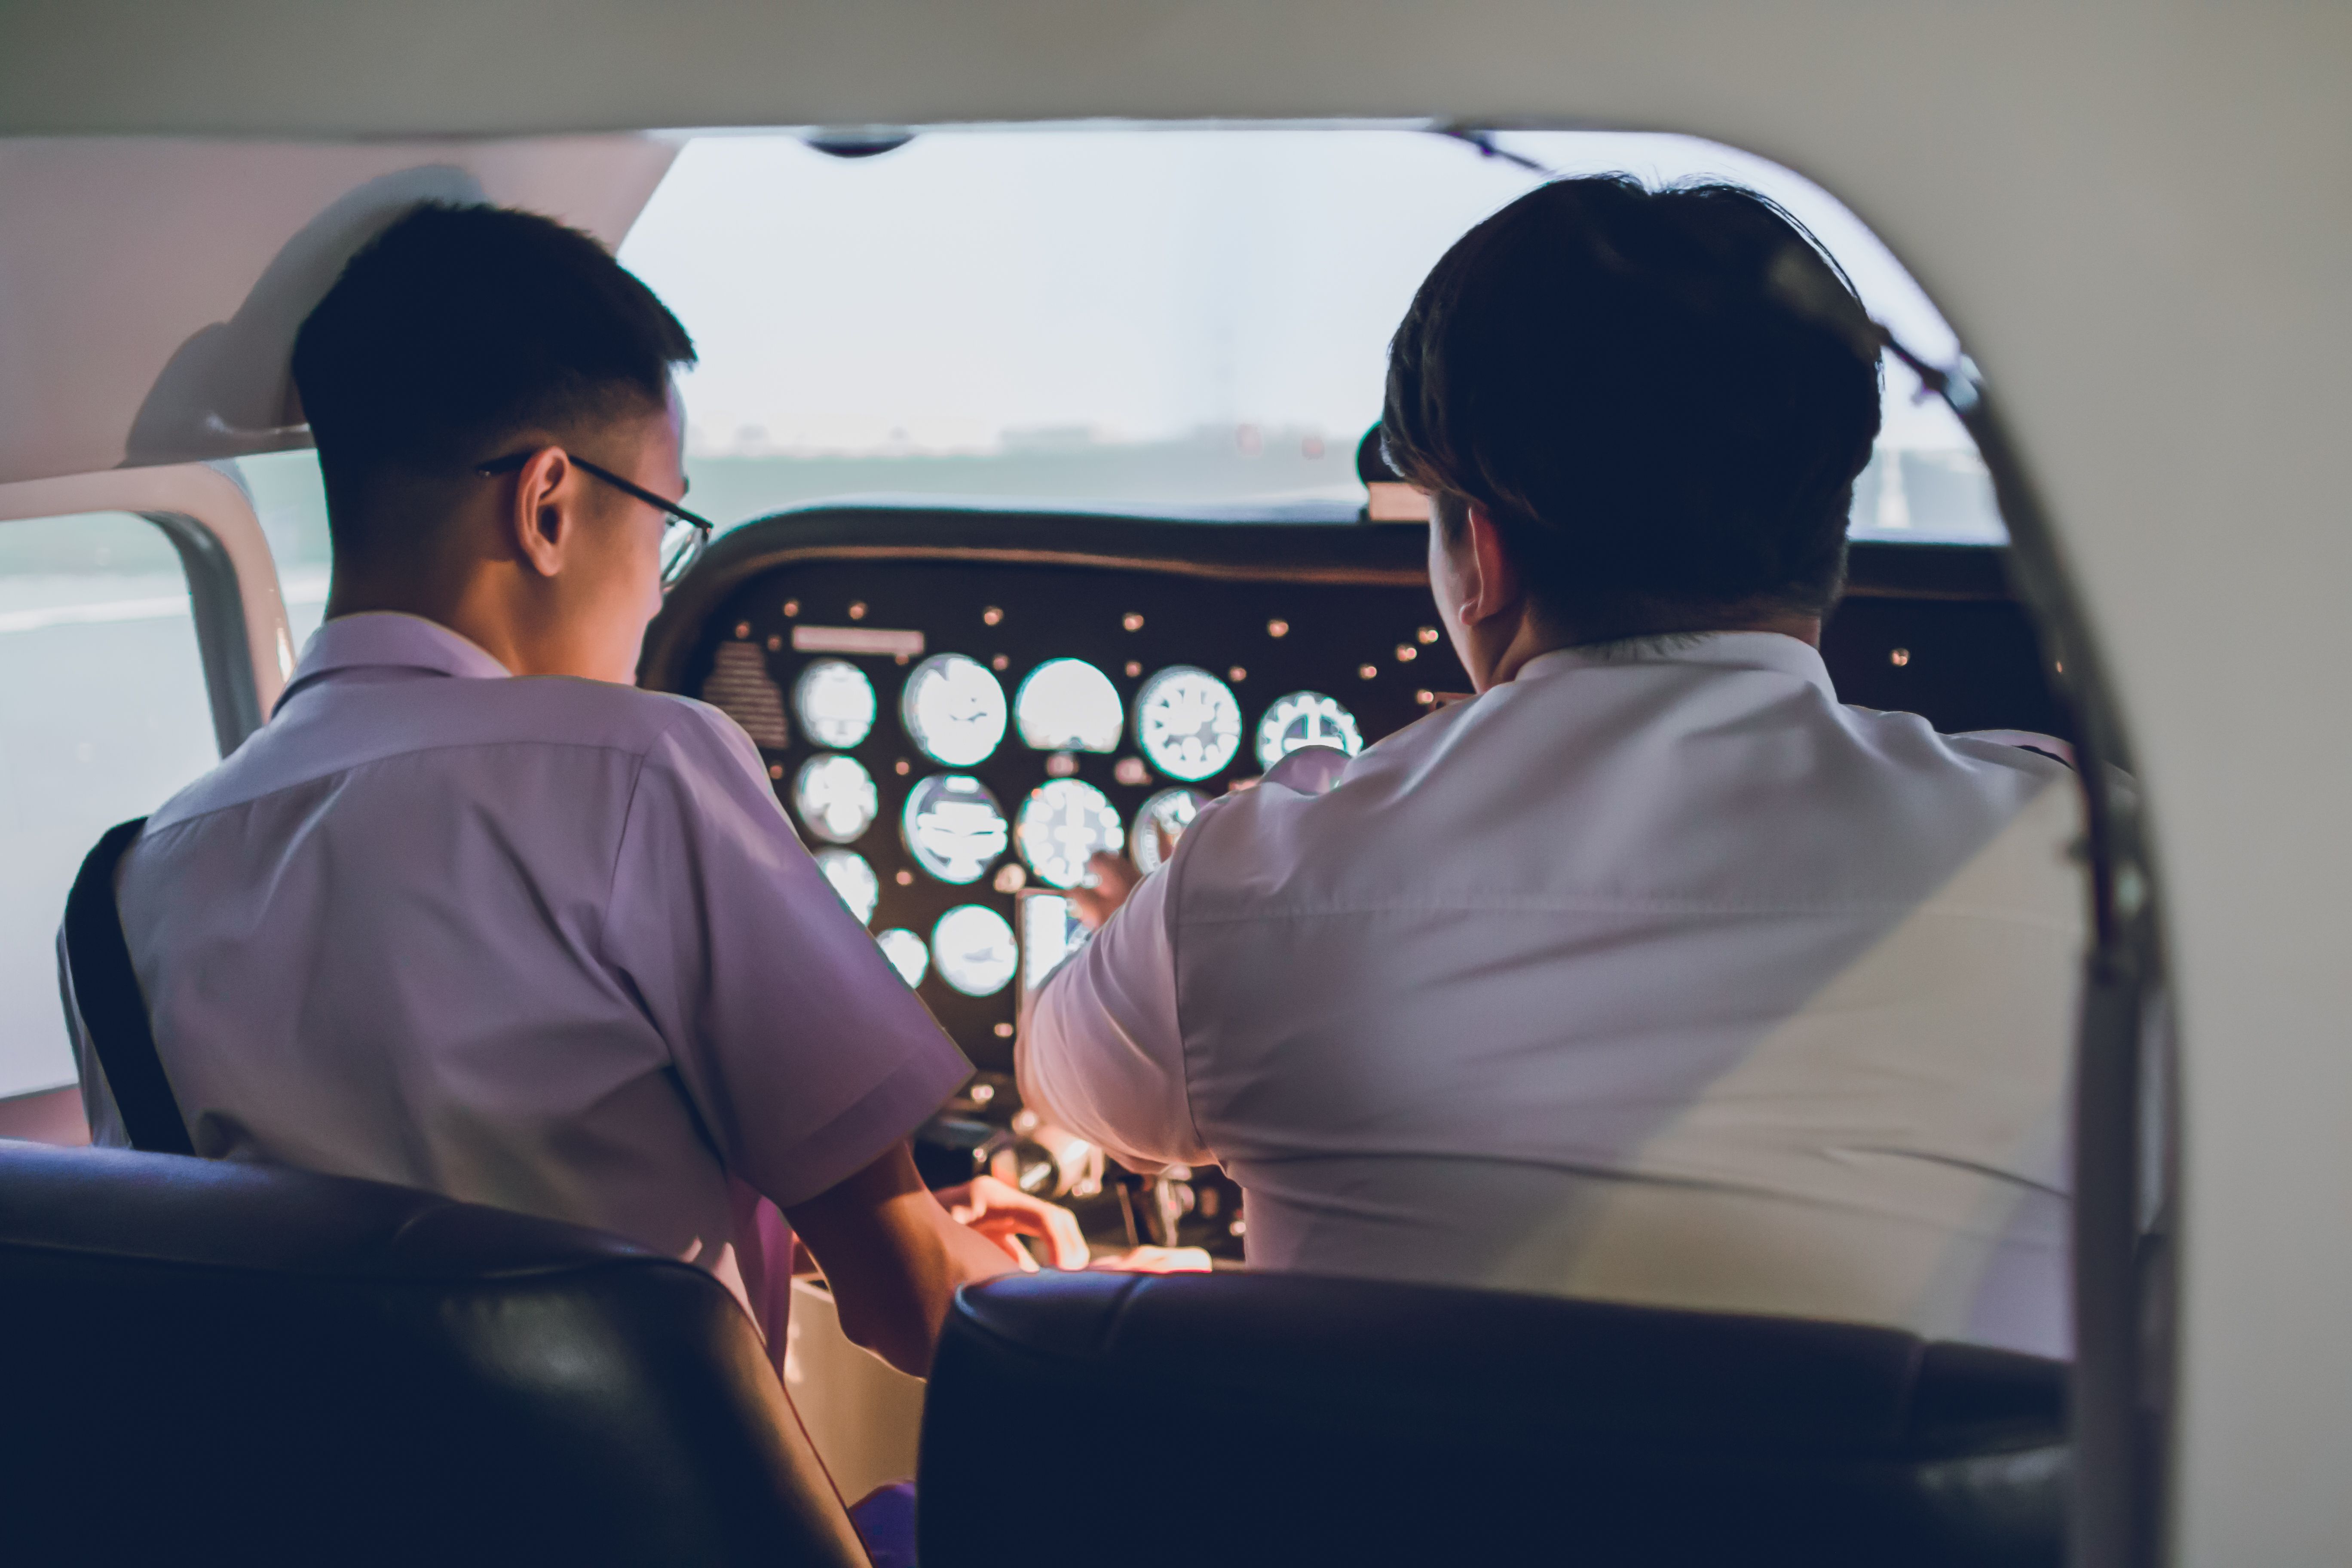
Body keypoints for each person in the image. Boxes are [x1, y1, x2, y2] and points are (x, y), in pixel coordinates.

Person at [1023, 176, 2085, 1358]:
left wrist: (1158, 923)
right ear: (1825, 532)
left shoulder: (1258, 884)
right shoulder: (2095, 881)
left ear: (1481, 552)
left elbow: (1067, 1082)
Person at [69, 202, 1082, 1380]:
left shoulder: (124, 894)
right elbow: (912, 1304)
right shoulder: (643, 770)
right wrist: (1113, 1302)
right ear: (549, 503)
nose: (658, 595)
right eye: (666, 525)